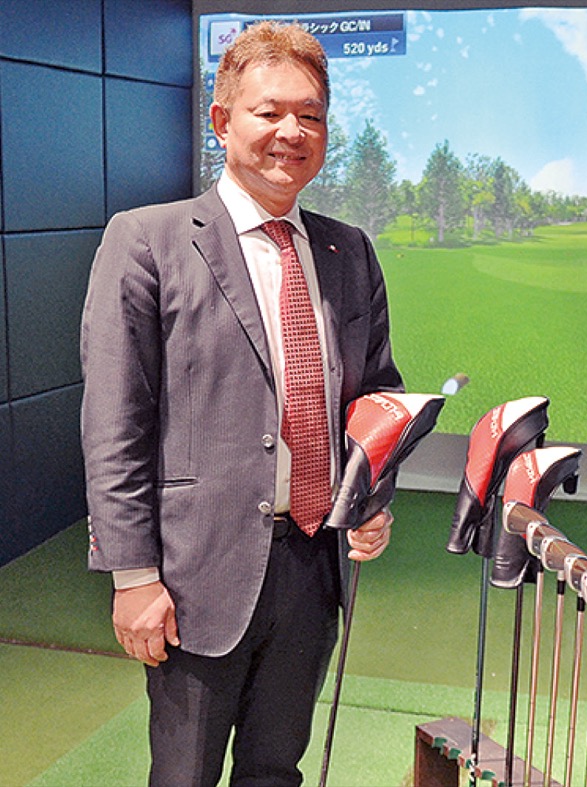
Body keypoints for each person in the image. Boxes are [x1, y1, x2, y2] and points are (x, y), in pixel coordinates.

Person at [80, 21, 403, 785]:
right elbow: (114, 425)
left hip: (314, 568)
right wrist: (132, 575)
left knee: (275, 769)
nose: (293, 132)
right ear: (222, 121)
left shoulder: (348, 249)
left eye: (311, 115)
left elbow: (377, 393)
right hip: (195, 577)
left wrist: (369, 494)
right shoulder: (148, 240)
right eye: (270, 111)